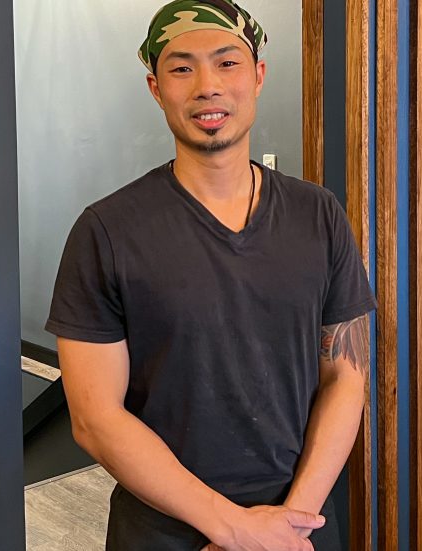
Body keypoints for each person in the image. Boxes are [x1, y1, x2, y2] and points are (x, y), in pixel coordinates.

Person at [45, 1, 375, 549]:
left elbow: (346, 376)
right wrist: (236, 529)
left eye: (227, 63)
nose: (207, 86)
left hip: (298, 523)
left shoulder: (318, 215)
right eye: (181, 68)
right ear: (156, 88)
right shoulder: (106, 231)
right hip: (164, 527)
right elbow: (95, 417)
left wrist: (287, 524)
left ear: (258, 76)